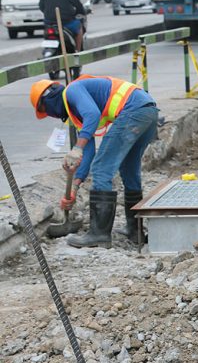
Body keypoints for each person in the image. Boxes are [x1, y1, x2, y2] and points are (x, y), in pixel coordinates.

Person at [29, 76, 158, 248]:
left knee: (101, 168)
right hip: (148, 111)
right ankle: (135, 231)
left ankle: (99, 235)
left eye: (46, 111)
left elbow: (93, 114)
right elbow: (87, 152)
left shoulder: (73, 91)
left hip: (134, 111)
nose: (51, 115)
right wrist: (75, 186)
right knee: (128, 168)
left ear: (47, 101)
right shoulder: (76, 112)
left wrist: (77, 148)